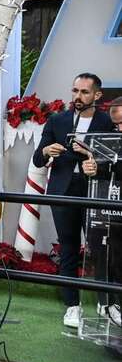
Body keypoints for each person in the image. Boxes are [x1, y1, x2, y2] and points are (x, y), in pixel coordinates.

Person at [33, 73, 115, 328]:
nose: (77, 96)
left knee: (101, 250)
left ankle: (106, 303)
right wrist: (46, 150)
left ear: (97, 95)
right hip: (63, 191)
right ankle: (72, 306)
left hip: (95, 193)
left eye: (84, 92)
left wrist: (94, 161)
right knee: (68, 248)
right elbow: (37, 159)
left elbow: (114, 161)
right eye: (75, 91)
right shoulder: (57, 120)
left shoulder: (107, 122)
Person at [79, 96, 122, 326]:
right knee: (110, 258)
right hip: (112, 214)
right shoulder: (109, 142)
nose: (119, 129)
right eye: (116, 125)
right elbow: (104, 168)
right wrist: (92, 168)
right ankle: (110, 305)